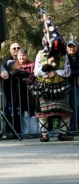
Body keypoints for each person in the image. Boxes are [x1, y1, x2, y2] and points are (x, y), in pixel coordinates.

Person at [31, 10, 74, 142]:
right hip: (44, 86)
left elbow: (68, 71)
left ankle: (62, 134)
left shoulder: (64, 56)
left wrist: (56, 72)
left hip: (60, 85)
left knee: (66, 111)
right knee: (43, 113)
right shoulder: (40, 54)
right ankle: (44, 135)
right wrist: (46, 70)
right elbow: (36, 72)